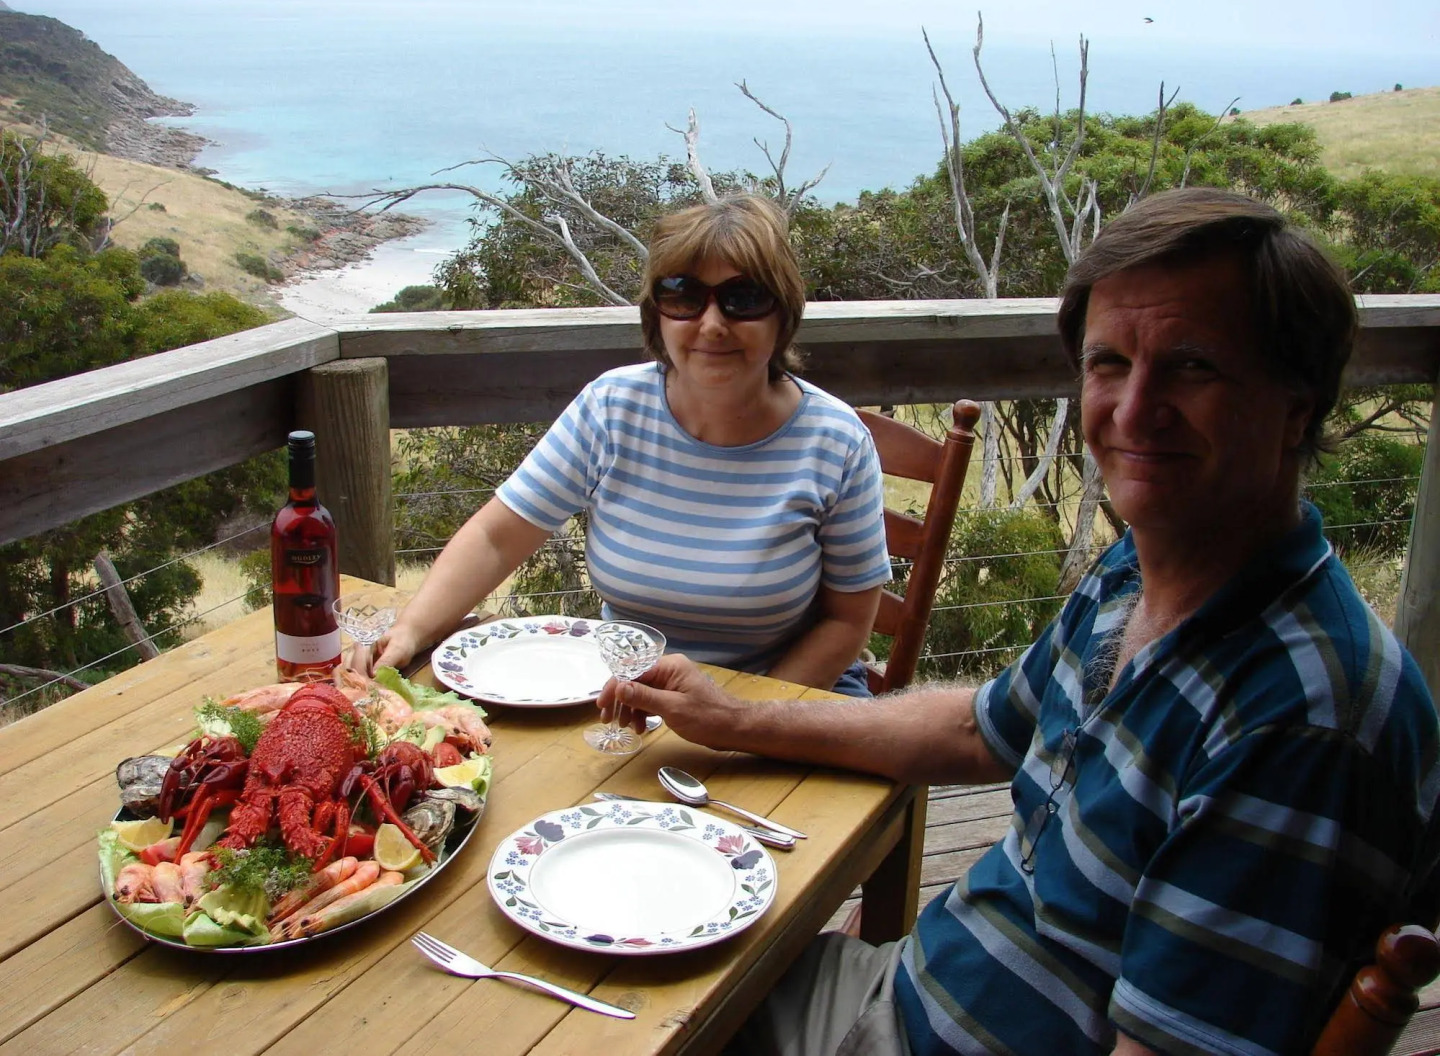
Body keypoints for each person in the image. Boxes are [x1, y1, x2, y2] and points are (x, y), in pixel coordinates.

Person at [598, 187, 1440, 1056]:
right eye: (1110, 363)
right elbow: (977, 727)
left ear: (1296, 404)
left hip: (918, 1034)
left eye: (1192, 366)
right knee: (617, 970)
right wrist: (738, 719)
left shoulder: (1297, 723)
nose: (1134, 407)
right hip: (919, 986)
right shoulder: (1143, 569)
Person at [366, 193, 891, 696]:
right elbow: (497, 537)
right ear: (657, 314)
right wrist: (412, 631)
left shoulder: (835, 442)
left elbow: (847, 621)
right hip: (630, 690)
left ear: (782, 315)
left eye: (744, 299)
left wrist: (742, 720)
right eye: (683, 296)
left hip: (786, 694)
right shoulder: (612, 407)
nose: (711, 324)